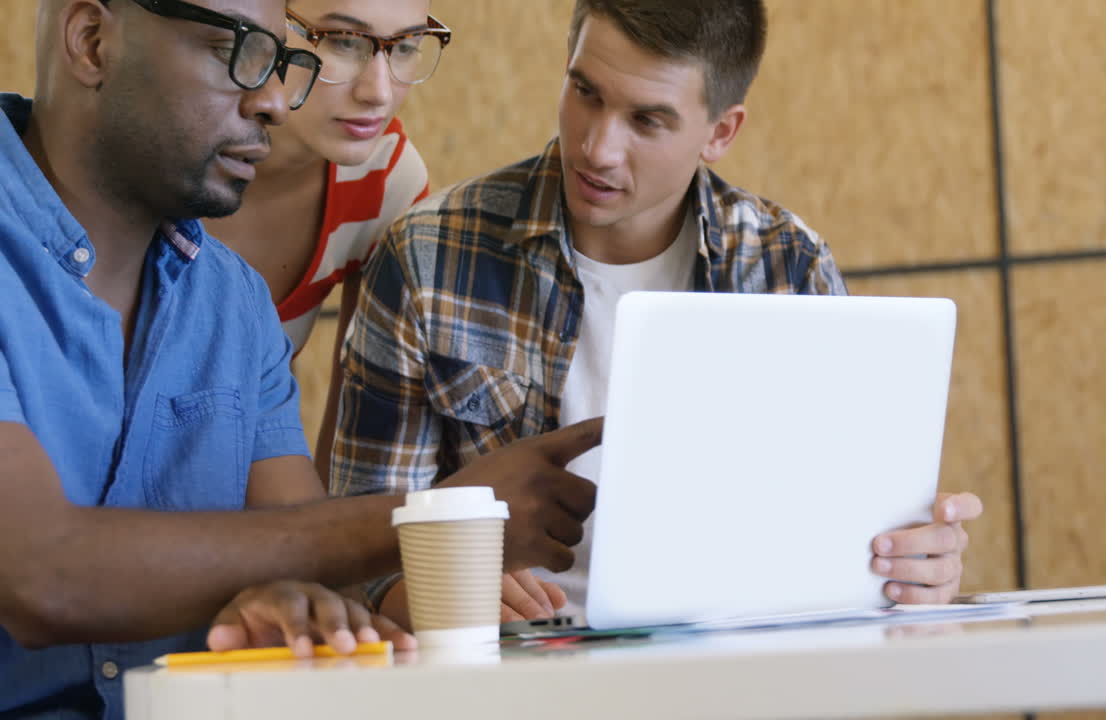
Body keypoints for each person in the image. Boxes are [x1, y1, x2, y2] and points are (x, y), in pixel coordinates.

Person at [0, 1, 597, 716]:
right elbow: (43, 574)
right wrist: (442, 517)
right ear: (92, 41)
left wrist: (293, 606)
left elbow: (310, 557)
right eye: (237, 52)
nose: (277, 100)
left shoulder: (237, 305)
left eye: (280, 60)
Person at [332, 0, 984, 625]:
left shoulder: (788, 267)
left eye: (647, 121)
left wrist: (911, 570)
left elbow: (843, 548)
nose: (597, 148)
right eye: (585, 92)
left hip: (730, 675)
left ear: (720, 132)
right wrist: (432, 589)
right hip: (508, 677)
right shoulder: (429, 255)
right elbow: (350, 543)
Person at [204, 0, 440, 486]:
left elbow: (349, 461)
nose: (378, 92)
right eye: (343, 41)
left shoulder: (385, 179)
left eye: (407, 46)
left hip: (237, 515)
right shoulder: (163, 151)